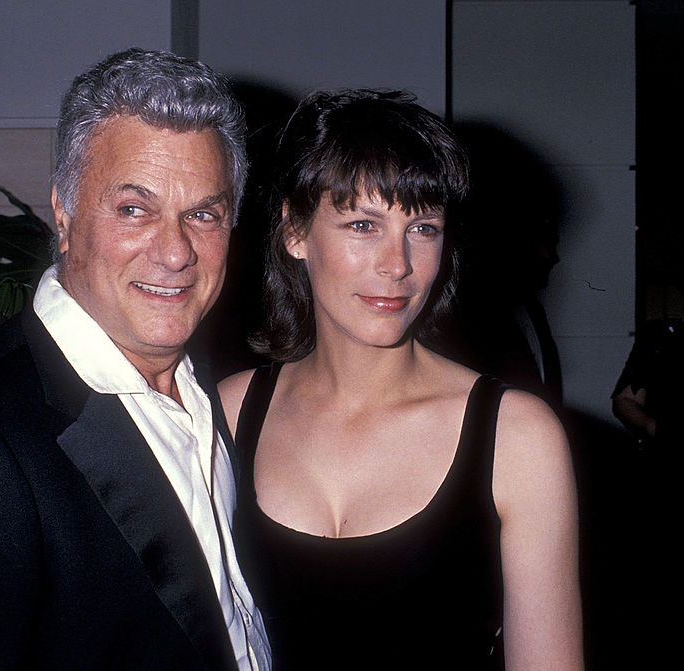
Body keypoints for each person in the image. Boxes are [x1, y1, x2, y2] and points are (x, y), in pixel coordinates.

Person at [0, 48, 270, 671]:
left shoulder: (208, 393)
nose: (175, 252)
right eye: (134, 210)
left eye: (202, 214)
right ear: (64, 212)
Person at [219, 90, 582, 669]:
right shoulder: (228, 412)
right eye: (364, 225)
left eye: (424, 228)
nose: (398, 264)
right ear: (295, 232)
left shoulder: (516, 436)